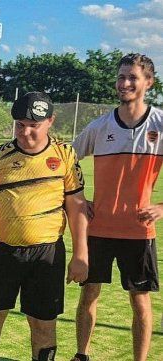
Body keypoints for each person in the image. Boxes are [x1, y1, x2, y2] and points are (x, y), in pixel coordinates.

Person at [0, 92, 88, 361]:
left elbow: (76, 207)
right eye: (20, 124)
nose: (26, 132)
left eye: (34, 125)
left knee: (43, 324)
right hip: (1, 251)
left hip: (47, 253)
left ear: (50, 121)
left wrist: (81, 254)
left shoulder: (64, 155)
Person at [71, 53, 162, 361]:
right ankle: (81, 355)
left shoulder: (160, 125)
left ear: (148, 82)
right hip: (99, 228)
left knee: (140, 302)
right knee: (89, 294)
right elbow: (67, 164)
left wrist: (162, 207)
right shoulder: (99, 126)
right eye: (121, 77)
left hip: (138, 231)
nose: (124, 83)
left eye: (132, 77)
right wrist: (80, 200)